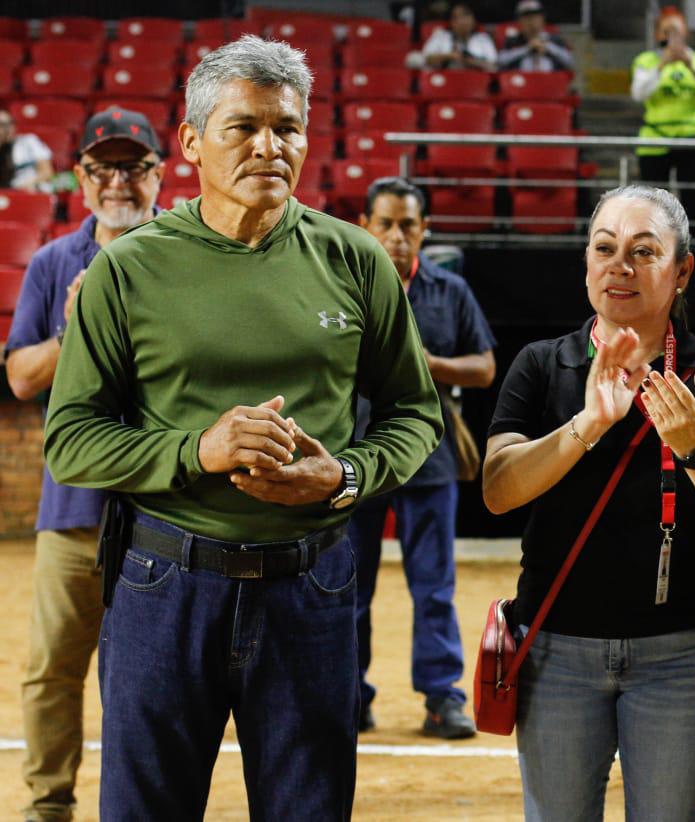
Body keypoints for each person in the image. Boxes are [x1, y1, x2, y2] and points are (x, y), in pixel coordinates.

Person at [42, 36, 443, 820]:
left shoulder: (356, 259)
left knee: (308, 809)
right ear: (192, 142)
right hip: (164, 585)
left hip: (314, 581)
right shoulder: (126, 270)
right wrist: (198, 451)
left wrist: (347, 476)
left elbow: (413, 411)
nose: (270, 146)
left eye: (288, 128)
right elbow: (72, 438)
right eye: (244, 127)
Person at [483, 184, 695, 821]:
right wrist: (586, 426)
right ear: (586, 261)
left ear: (682, 269)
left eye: (644, 251)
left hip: (683, 656)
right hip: (558, 649)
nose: (621, 266)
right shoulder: (540, 364)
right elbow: (499, 490)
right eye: (605, 248)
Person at [6, 107, 164, 822]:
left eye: (134, 167)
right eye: (105, 168)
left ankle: (136, 806)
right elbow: (20, 377)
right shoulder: (52, 263)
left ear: (161, 173)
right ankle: (48, 807)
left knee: (145, 678)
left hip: (165, 510)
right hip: (73, 508)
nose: (119, 182)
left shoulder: (185, 253)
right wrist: (77, 329)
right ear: (81, 178)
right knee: (50, 671)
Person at [352, 176, 495, 739]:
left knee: (433, 586)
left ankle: (442, 698)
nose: (396, 236)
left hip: (429, 459)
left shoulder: (450, 291)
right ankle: (349, 694)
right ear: (366, 226)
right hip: (355, 458)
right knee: (349, 585)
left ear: (425, 229)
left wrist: (424, 363)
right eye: (384, 223)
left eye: (408, 225)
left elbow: (483, 367)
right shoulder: (344, 285)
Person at [631, 6, 695, 241]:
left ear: (685, 34)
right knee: (653, 205)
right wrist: (662, 64)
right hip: (655, 141)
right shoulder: (646, 61)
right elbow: (639, 93)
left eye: (676, 31)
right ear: (657, 35)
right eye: (666, 31)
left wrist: (690, 65)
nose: (671, 37)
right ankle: (652, 248)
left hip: (691, 139)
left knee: (692, 202)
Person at [411, 2, 498, 72]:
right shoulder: (441, 36)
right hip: (443, 82)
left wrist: (472, 61)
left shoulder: (483, 39)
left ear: (474, 20)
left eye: (466, 16)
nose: (462, 21)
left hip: (477, 85)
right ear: (451, 22)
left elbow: (494, 66)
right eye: (456, 17)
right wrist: (450, 56)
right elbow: (422, 59)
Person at [499, 0, 574, 73]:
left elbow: (570, 62)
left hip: (551, 82)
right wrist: (527, 49)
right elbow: (500, 61)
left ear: (542, 19)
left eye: (535, 17)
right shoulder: (513, 41)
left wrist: (547, 47)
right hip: (522, 83)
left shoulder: (555, 39)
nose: (531, 22)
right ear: (519, 21)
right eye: (526, 18)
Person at [0, 108, 54, 191]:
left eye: (10, 123)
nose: (7, 128)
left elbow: (47, 172)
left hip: (31, 191)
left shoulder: (29, 141)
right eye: (2, 125)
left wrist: (27, 184)